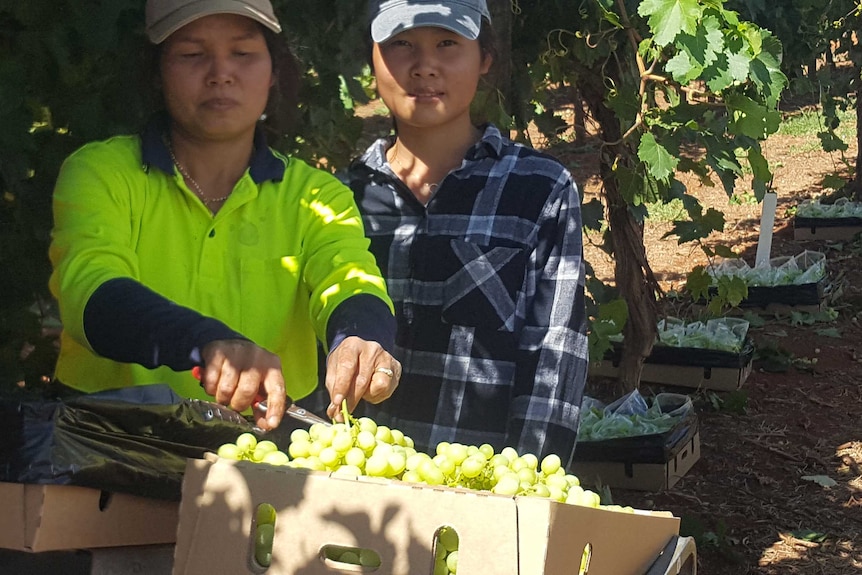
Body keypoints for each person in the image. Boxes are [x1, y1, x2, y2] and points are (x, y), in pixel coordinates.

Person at [48, 0, 401, 431]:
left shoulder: (316, 196)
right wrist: (204, 343)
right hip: (110, 445)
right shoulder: (101, 174)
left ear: (273, 72)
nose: (220, 73)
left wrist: (359, 337)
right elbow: (91, 292)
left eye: (243, 53)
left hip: (263, 449)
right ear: (156, 72)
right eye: (192, 54)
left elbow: (349, 278)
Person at [345, 0, 589, 466]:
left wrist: (524, 497)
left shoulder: (538, 189)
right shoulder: (341, 199)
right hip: (353, 491)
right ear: (372, 58)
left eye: (447, 44)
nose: (425, 66)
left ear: (485, 58)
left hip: (481, 499)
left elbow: (554, 357)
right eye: (401, 44)